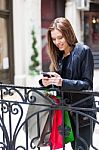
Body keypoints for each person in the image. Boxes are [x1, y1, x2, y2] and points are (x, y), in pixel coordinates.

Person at [39, 17, 96, 150]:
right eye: (54, 39)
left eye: (60, 37)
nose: (57, 42)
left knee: (81, 148)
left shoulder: (83, 51)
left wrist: (63, 82)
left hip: (83, 114)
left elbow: (87, 85)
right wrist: (46, 82)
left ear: (68, 33)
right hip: (66, 113)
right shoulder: (58, 56)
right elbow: (59, 84)